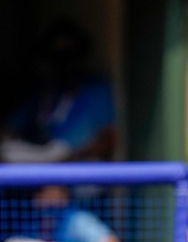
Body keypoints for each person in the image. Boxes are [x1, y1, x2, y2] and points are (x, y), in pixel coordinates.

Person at [1, 19, 116, 164]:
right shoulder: (43, 91)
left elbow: (108, 139)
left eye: (69, 54)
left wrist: (74, 155)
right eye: (57, 55)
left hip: (80, 170)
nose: (64, 63)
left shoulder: (95, 89)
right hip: (37, 166)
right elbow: (11, 128)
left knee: (54, 187)